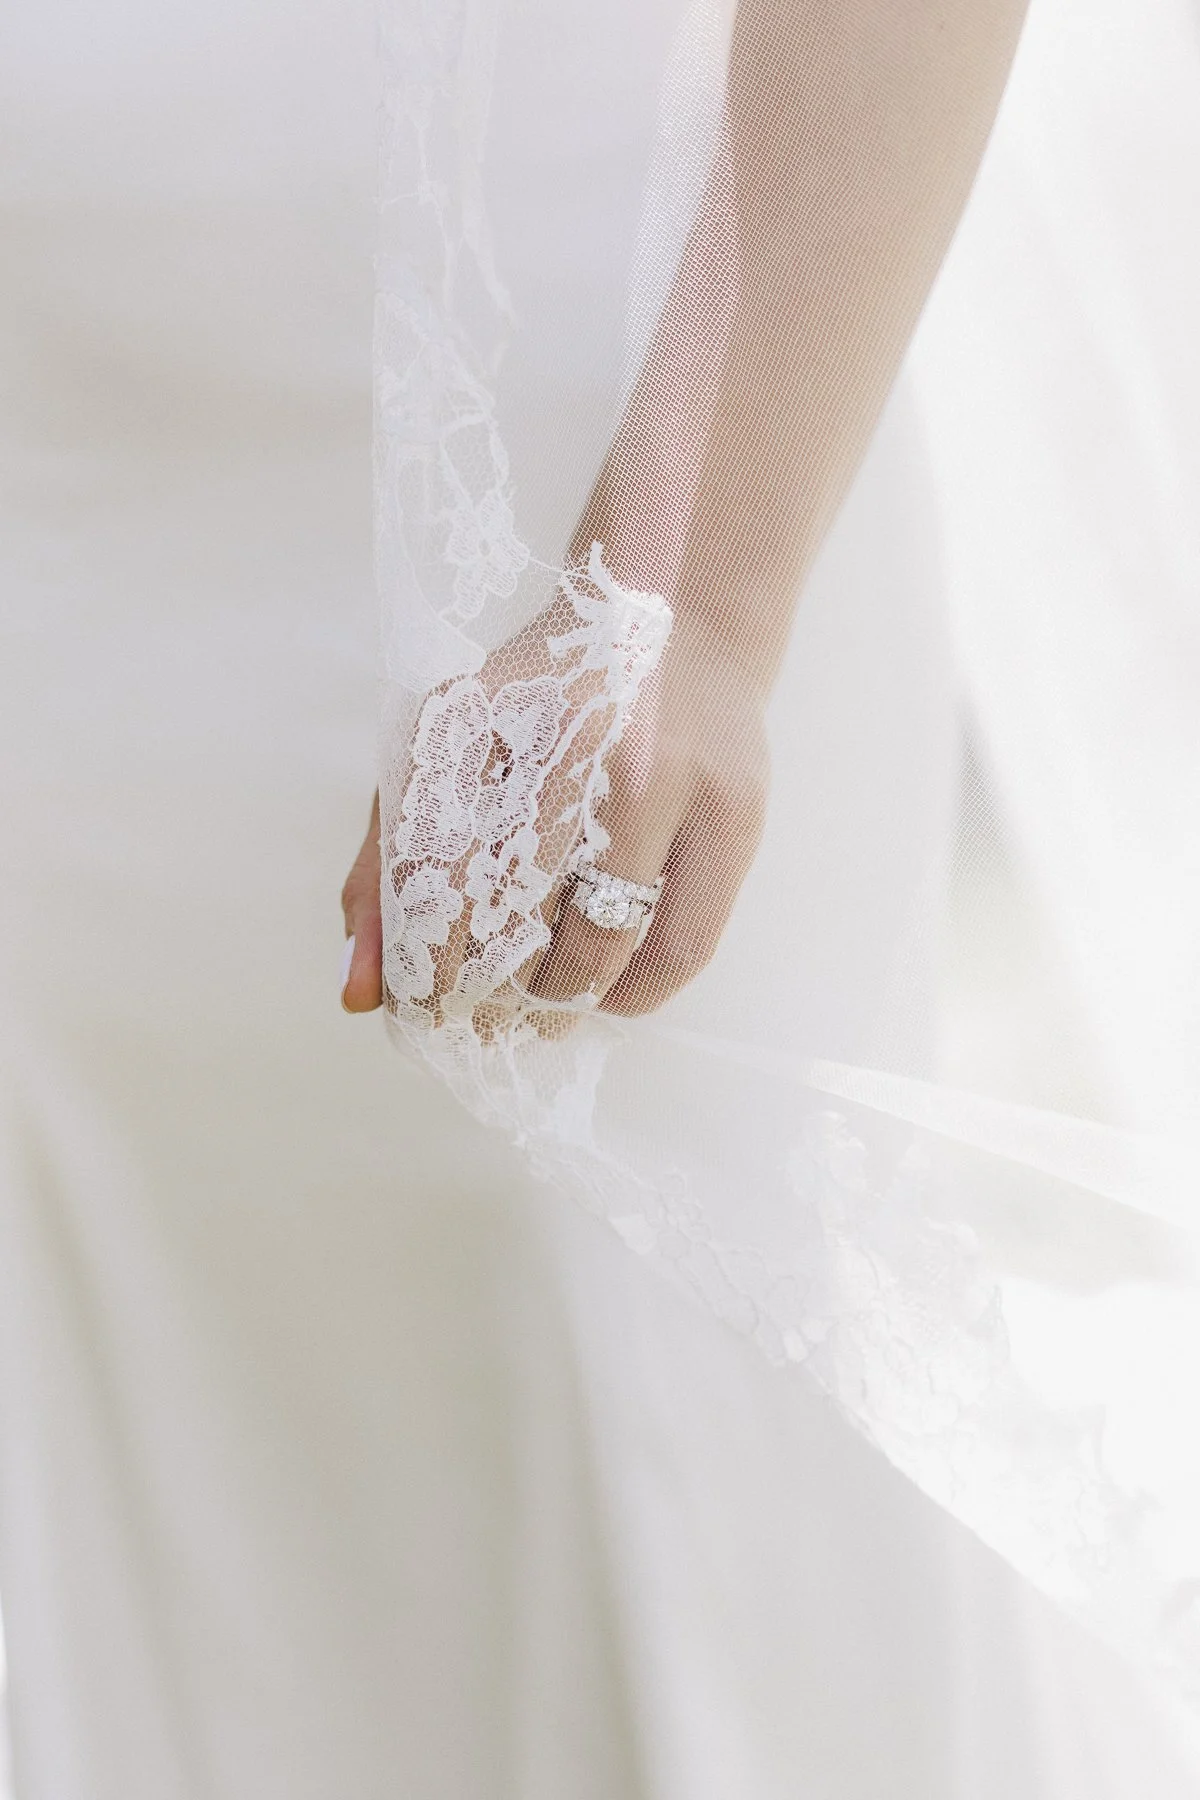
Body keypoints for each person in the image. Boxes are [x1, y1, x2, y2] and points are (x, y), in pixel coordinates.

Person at [1, 0, 1198, 1794]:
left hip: (577, 456)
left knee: (636, 1460)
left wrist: (684, 593)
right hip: (65, 516)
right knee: (126, 1434)